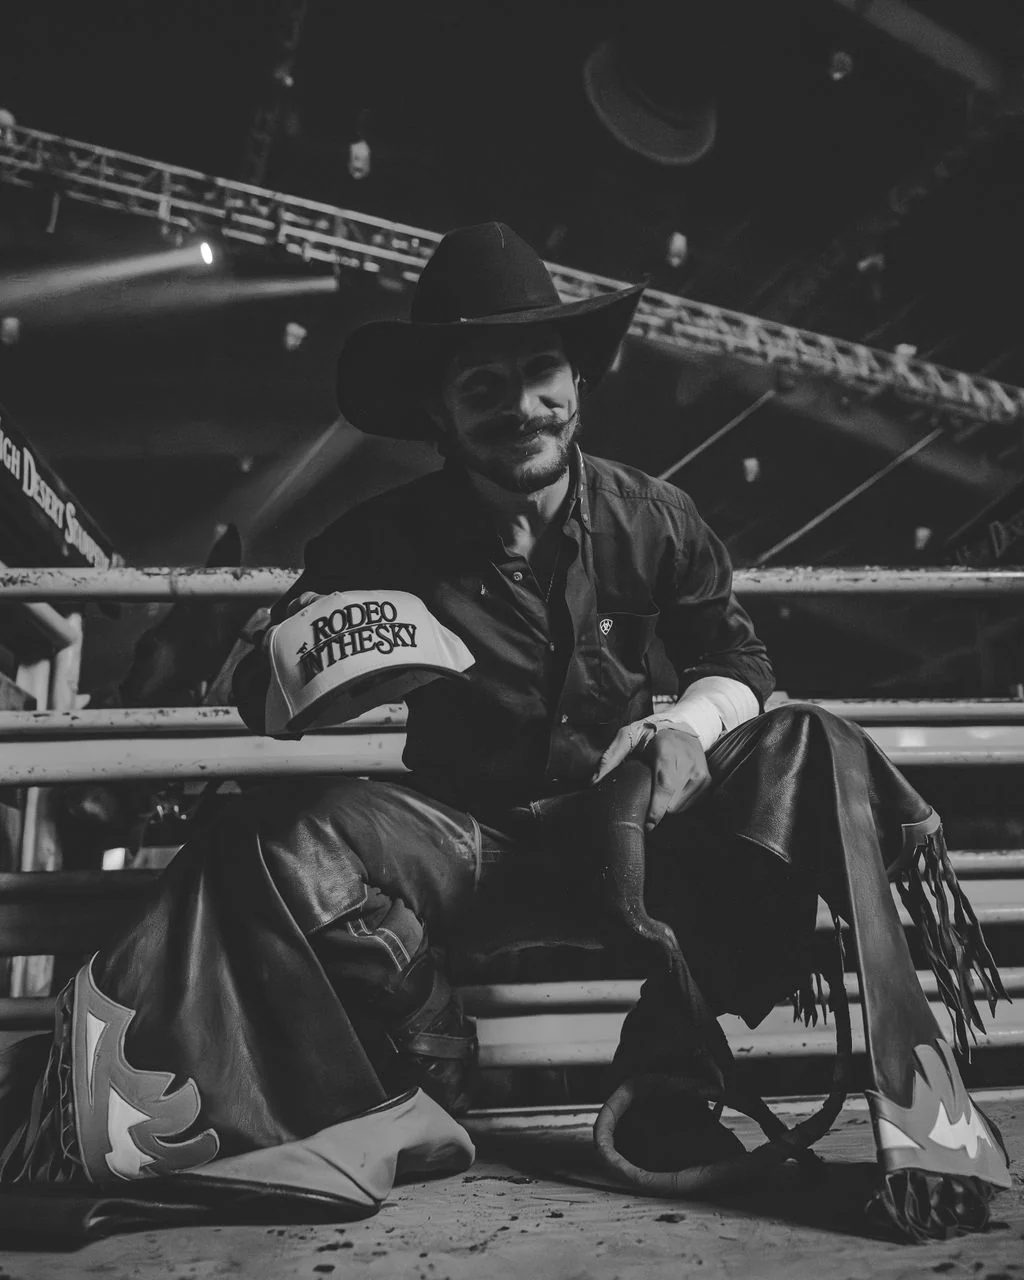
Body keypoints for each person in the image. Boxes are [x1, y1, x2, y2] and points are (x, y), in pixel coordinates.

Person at [228, 222, 1011, 1239]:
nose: (522, 406)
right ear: (437, 411)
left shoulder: (656, 518)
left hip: (629, 836)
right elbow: (260, 689)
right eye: (483, 386)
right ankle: (424, 1066)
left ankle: (669, 1088)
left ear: (577, 381)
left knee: (804, 745)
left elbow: (741, 664)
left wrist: (685, 726)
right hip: (463, 843)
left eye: (540, 374)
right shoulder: (377, 538)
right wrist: (287, 665)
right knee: (290, 834)